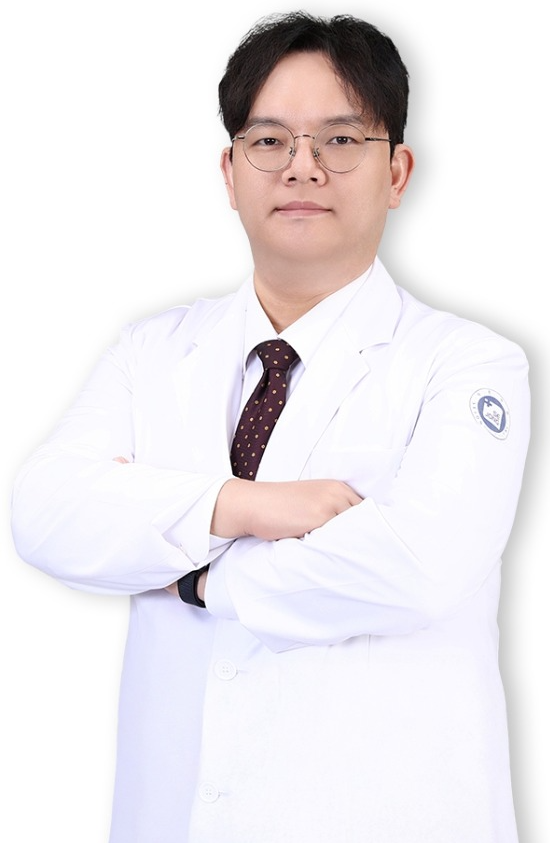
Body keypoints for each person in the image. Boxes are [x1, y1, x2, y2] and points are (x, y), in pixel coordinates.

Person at [11, 11, 530, 843]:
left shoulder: (468, 365)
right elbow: (45, 512)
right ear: (230, 169)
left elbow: (414, 568)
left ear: (397, 171)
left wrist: (192, 577)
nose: (302, 167)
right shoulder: (153, 352)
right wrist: (246, 506)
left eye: (340, 140)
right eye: (269, 141)